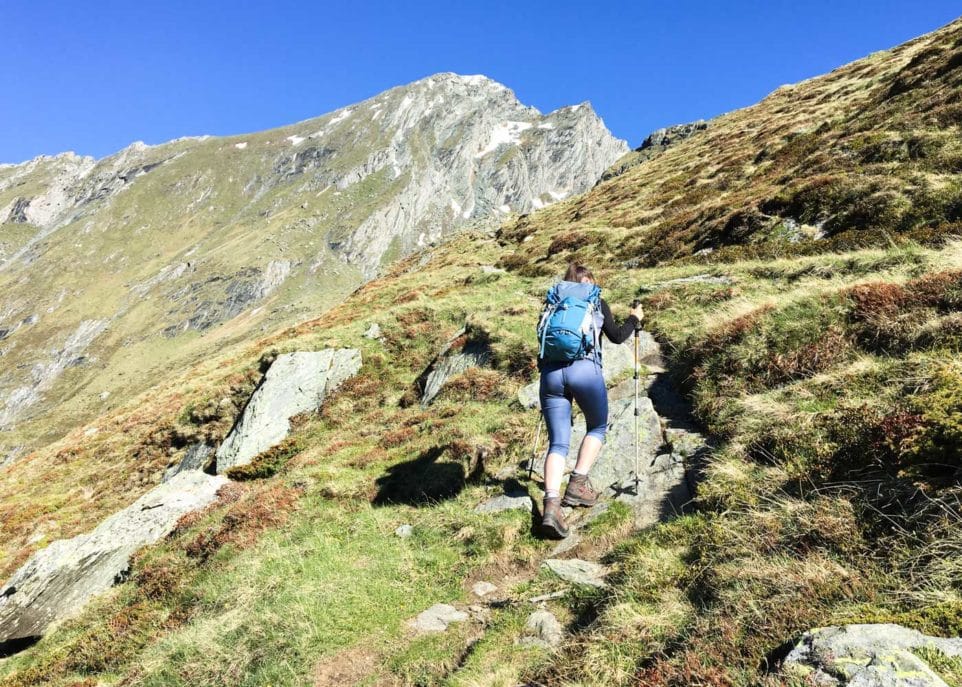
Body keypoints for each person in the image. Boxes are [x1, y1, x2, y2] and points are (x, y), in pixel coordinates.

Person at [538, 263, 643, 539]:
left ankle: (551, 505)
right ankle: (577, 485)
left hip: (550, 375)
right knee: (597, 427)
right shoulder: (595, 300)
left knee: (558, 442)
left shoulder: (553, 301)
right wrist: (634, 318)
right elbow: (617, 337)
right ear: (589, 282)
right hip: (585, 370)